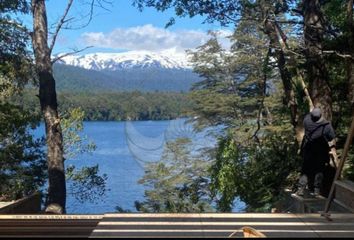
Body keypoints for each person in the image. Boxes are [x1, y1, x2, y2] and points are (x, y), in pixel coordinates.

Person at [297, 107, 336, 196]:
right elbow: (331, 137)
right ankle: (316, 190)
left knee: (305, 170)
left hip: (308, 149)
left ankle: (300, 189)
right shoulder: (326, 126)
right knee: (319, 170)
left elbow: (308, 115)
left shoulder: (306, 120)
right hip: (320, 151)